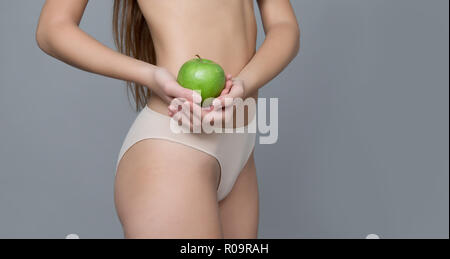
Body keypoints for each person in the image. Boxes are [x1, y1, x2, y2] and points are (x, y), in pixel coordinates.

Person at [36, 0, 300, 239]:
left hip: (241, 150)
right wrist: (149, 75)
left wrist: (243, 84)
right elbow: (52, 28)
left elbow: (283, 25)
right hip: (173, 150)